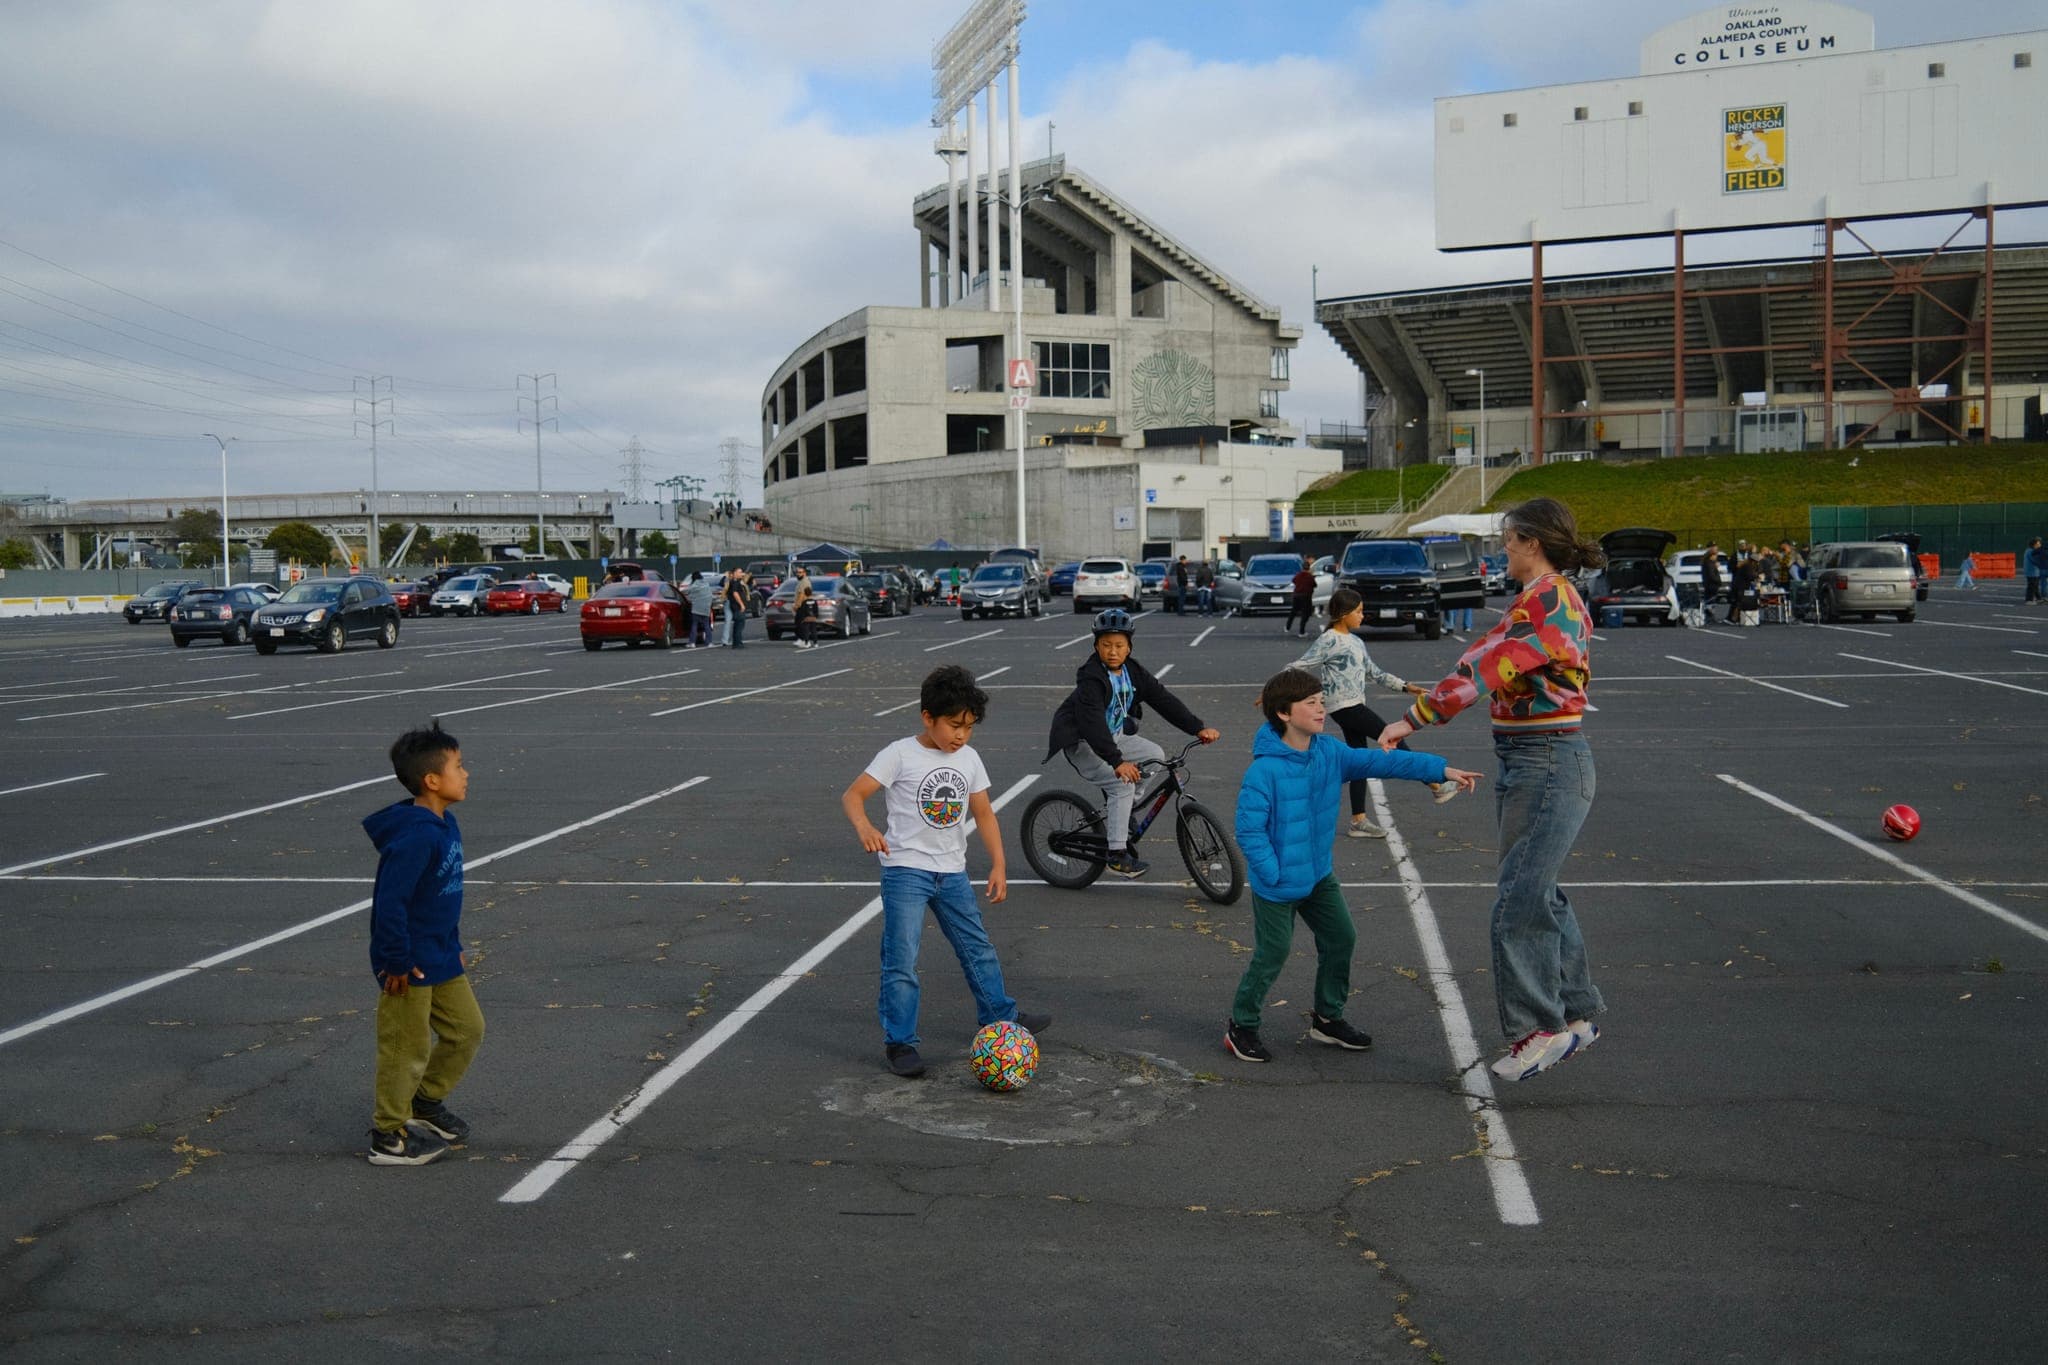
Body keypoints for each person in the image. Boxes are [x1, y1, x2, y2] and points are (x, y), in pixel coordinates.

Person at [1378, 496, 1606, 1083]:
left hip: (1547, 759)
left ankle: (1540, 1027)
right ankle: (1577, 1014)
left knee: (1518, 901)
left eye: (1507, 540)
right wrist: (1427, 703)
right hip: (1532, 758)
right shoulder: (1538, 599)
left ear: (1531, 542)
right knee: (1539, 890)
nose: (1502, 550)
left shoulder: (1550, 598)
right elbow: (1478, 653)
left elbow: (1493, 665)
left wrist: (1415, 718)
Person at [1225, 668, 1479, 1064]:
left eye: (1321, 700)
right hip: (1277, 885)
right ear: (1283, 714)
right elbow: (1249, 832)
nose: (1320, 708)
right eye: (1309, 703)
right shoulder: (1264, 771)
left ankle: (1327, 1019)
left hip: (1317, 875)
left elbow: (1385, 763)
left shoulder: (1329, 753)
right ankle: (1241, 1026)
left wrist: (1441, 771)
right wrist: (1273, 873)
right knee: (1272, 955)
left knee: (1341, 939)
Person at [841, 665, 1050, 1078]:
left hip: (952, 873)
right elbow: (854, 795)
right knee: (902, 958)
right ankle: (900, 1043)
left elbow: (984, 813)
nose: (961, 736)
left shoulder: (969, 758)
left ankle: (1000, 1017)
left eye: (969, 728)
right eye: (954, 725)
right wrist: (865, 826)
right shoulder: (899, 753)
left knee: (978, 949)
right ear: (927, 717)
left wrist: (999, 864)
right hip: (906, 872)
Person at [362, 725, 483, 1166]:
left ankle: (424, 1102)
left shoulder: (444, 823)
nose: (466, 773)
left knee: (467, 1030)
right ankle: (388, 1135)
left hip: (439, 953)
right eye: (458, 766)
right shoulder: (416, 836)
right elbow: (391, 904)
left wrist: (452, 944)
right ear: (432, 780)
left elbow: (441, 898)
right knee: (404, 1047)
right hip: (407, 964)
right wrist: (395, 960)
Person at [1045, 608, 1219, 880]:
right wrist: (1117, 762)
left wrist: (1197, 727)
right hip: (1083, 741)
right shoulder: (1090, 678)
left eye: (1118, 645)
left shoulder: (1133, 671)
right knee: (1120, 784)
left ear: (1128, 648)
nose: (1112, 651)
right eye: (1106, 645)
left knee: (1155, 754)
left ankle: (1122, 812)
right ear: (1096, 646)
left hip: (1112, 737)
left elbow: (1163, 699)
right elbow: (1092, 723)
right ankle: (1116, 855)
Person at [1292, 587, 1459, 840]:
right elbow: (1300, 665)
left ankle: (1358, 820)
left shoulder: (1356, 641)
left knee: (1359, 762)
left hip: (1353, 704)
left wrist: (1405, 686)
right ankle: (1435, 784)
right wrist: (1274, 690)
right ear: (1344, 613)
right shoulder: (1329, 640)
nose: (1362, 615)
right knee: (1394, 737)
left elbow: (1375, 673)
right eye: (1358, 611)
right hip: (1344, 707)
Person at [1284, 559, 1317, 637]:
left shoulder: (1298, 575)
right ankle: (1301, 631)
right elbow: (1314, 585)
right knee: (1305, 613)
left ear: (1302, 568)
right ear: (1308, 568)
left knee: (1293, 612)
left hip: (1297, 595)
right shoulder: (1310, 576)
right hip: (1306, 596)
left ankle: (1287, 627)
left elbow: (1294, 581)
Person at [790, 566, 818, 649]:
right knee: (799, 624)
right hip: (802, 605)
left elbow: (802, 594)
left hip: (803, 606)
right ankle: (802, 639)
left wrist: (797, 605)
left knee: (801, 625)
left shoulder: (805, 582)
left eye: (800, 572)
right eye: (797, 572)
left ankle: (804, 640)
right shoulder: (801, 581)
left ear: (804, 573)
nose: (798, 574)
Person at [685, 572, 714, 646]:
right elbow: (710, 596)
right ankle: (709, 642)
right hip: (706, 608)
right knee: (707, 625)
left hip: (696, 608)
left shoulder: (694, 586)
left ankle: (692, 642)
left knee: (694, 625)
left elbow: (689, 595)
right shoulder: (706, 585)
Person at [725, 568, 751, 649]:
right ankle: (738, 643)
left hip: (736, 606)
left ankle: (737, 643)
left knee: (738, 625)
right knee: (739, 624)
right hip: (737, 607)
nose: (741, 574)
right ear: (734, 573)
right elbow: (735, 593)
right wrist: (741, 604)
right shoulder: (735, 583)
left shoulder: (735, 582)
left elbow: (747, 577)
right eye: (739, 572)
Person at [1700, 542, 1724, 621]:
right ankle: (1709, 616)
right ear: (1712, 556)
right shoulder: (1710, 563)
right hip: (1712, 584)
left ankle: (1709, 615)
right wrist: (1718, 581)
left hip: (1708, 584)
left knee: (1710, 600)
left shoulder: (1708, 562)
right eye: (1715, 555)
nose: (1716, 557)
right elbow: (1712, 575)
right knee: (1711, 600)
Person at [2026, 537, 2046, 604]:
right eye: (2038, 544)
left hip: (2035, 572)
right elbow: (2035, 561)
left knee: (2035, 586)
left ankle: (2039, 599)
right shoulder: (2030, 551)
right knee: (2031, 586)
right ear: (2033, 544)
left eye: (2039, 543)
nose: (2039, 545)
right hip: (2031, 572)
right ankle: (2029, 600)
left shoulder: (2030, 551)